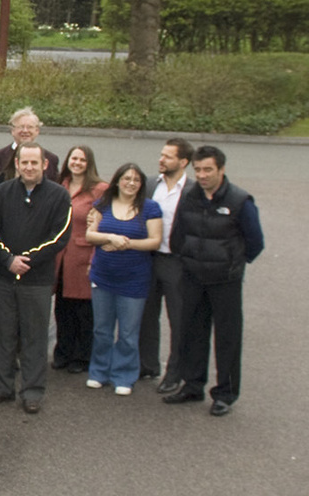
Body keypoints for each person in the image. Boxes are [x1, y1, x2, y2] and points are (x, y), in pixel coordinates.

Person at [164, 146, 264, 416]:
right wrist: (186, 260)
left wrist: (233, 265)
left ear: (221, 169)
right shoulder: (189, 196)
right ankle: (192, 385)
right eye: (198, 170)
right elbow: (177, 235)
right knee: (192, 333)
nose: (202, 175)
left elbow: (255, 242)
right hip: (193, 278)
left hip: (225, 281)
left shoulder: (240, 200)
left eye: (208, 169)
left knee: (227, 338)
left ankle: (225, 394)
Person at [0, 145, 72, 414]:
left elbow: (59, 236)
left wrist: (28, 260)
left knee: (34, 337)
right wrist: (8, 259)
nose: (29, 167)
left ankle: (32, 391)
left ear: (44, 165)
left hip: (37, 280)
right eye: (24, 162)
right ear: (16, 164)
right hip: (4, 277)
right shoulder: (2, 192)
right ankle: (0, 386)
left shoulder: (59, 195)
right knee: (1, 334)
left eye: (34, 162)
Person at [85, 163, 163, 396]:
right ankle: (99, 371)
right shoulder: (103, 204)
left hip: (134, 281)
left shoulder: (150, 208)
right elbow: (90, 235)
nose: (131, 183)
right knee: (102, 330)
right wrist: (110, 237)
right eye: (127, 178)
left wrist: (125, 244)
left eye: (136, 180)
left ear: (141, 185)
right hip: (103, 278)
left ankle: (124, 375)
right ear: (117, 181)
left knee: (128, 333)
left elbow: (155, 241)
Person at [145, 138, 195, 390]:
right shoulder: (150, 184)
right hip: (148, 258)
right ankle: (147, 365)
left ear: (183, 162)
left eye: (168, 156)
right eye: (161, 155)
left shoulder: (192, 191)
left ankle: (174, 373)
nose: (161, 160)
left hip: (176, 263)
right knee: (145, 315)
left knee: (178, 320)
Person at [51, 146, 106, 375]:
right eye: (74, 158)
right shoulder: (60, 185)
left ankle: (82, 356)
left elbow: (103, 224)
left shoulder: (99, 190)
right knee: (62, 308)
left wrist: (95, 258)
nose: (77, 163)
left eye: (82, 160)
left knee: (83, 311)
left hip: (83, 256)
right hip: (60, 257)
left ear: (89, 163)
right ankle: (63, 352)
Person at [0, 107, 61, 182]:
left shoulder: (51, 159)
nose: (25, 131)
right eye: (21, 127)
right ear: (13, 130)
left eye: (30, 127)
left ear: (37, 131)